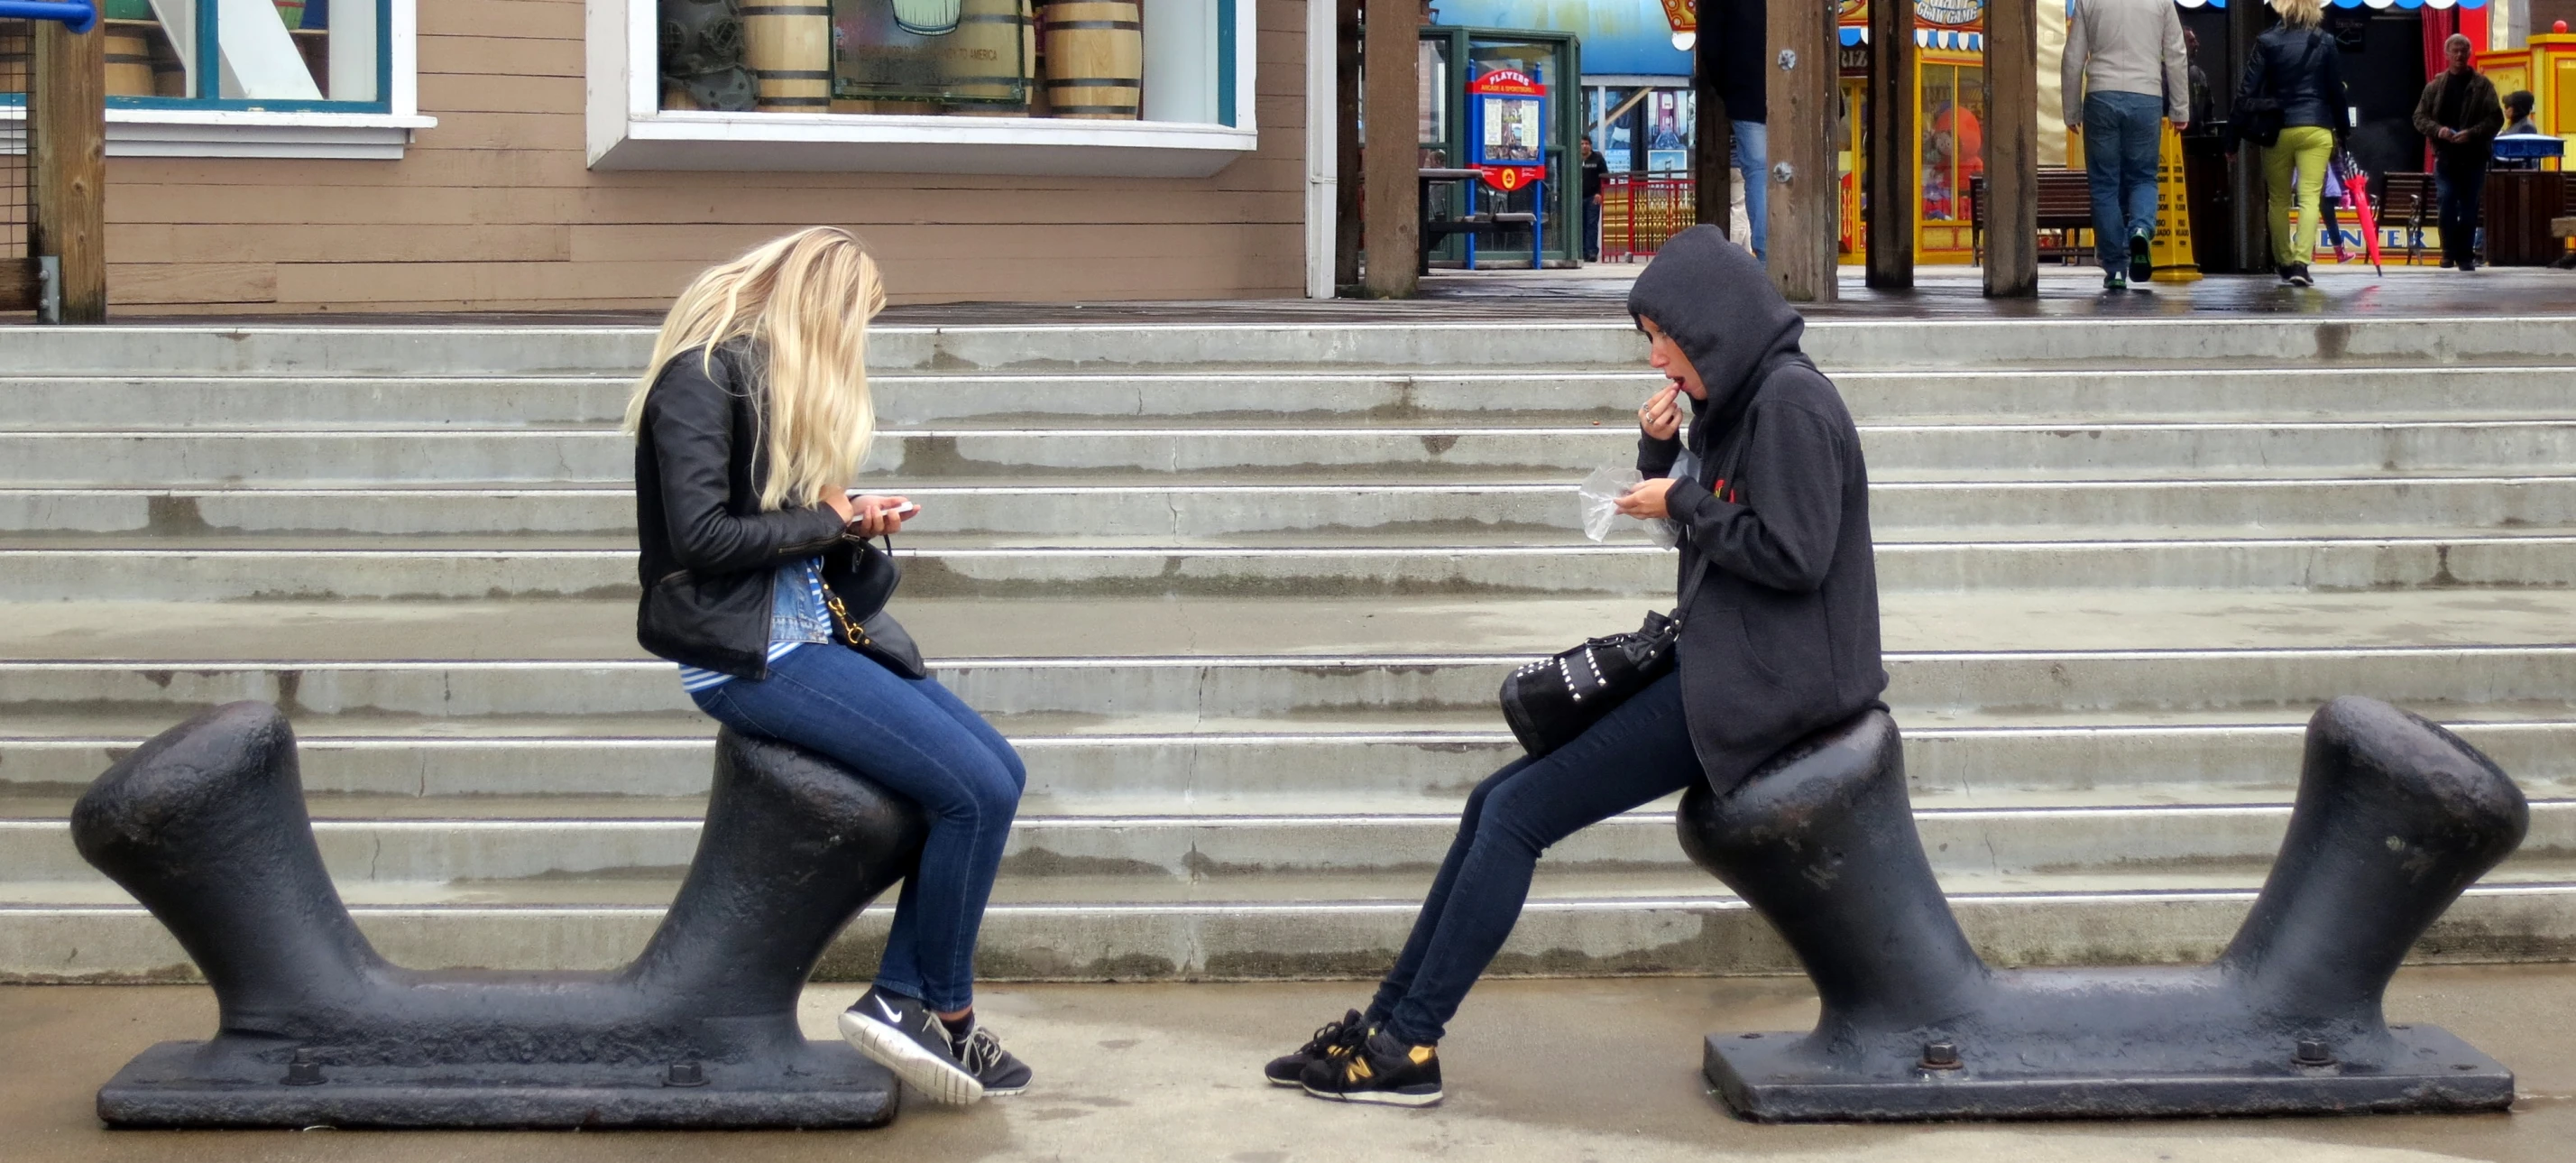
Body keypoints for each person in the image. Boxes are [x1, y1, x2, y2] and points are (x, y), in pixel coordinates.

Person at [1260, 226, 1887, 1108]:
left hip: (1765, 688)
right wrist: (1661, 460)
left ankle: (1407, 1045)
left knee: (1515, 813)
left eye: (1663, 339)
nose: (1659, 359)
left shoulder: (1791, 404)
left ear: (1711, 328)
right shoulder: (1746, 400)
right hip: (1728, 661)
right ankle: (1387, 1025)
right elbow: (1718, 532)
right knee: (1493, 802)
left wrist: (1682, 494)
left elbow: (1794, 554)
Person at [626, 226, 1031, 1106]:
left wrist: (855, 525)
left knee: (999, 771)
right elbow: (699, 538)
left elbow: (799, 546)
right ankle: (921, 1003)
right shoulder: (699, 378)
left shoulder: (777, 390)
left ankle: (927, 1004)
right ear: (821, 303)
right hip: (745, 651)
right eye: (859, 319)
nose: (859, 340)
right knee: (969, 788)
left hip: (808, 634)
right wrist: (833, 521)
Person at [2063, 0, 2189, 291]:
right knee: (2144, 177)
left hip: (2101, 96)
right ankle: (2142, 229)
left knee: (2104, 185)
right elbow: (2176, 53)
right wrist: (2180, 108)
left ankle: (2115, 270)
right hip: (2146, 97)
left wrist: (2071, 109)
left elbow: (2073, 57)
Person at [2235, 0, 2350, 286]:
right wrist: (2344, 130)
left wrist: (2231, 138)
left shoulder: (2267, 41)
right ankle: (2301, 262)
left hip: (2278, 129)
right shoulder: (2325, 41)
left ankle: (2284, 261)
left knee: (2279, 200)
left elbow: (2246, 90)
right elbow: (2336, 90)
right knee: (2310, 197)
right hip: (2316, 127)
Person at [2415, 33, 2501, 272]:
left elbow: (2496, 118)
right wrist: (2438, 130)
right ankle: (2447, 252)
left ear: (2470, 53)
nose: (2459, 55)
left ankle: (2465, 256)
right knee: (2447, 204)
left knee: (2470, 207)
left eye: (2463, 50)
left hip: (2473, 157)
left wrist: (2472, 133)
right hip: (2445, 158)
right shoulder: (2434, 87)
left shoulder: (2483, 86)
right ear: (2446, 54)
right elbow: (2419, 118)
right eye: (2455, 50)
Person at [1712, 0, 1769, 260]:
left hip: (1746, 94)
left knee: (1758, 170)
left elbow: (1712, 49)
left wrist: (1730, 88)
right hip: (1794, 92)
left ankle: (1766, 250)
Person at [1579, 136, 1609, 263]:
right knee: (1580, 224)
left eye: (1587, 144)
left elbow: (1605, 177)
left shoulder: (1597, 159)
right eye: (1582, 144)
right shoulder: (1575, 159)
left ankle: (1591, 251)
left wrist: (1600, 193)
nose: (1584, 146)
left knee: (1591, 224)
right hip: (1578, 197)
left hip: (1593, 197)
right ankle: (1582, 251)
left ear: (1590, 145)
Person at [2498, 90, 2542, 171]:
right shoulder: (2515, 124)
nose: (2505, 110)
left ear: (2516, 108)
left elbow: (2525, 156)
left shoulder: (2527, 126)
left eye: (2507, 107)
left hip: (2520, 172)